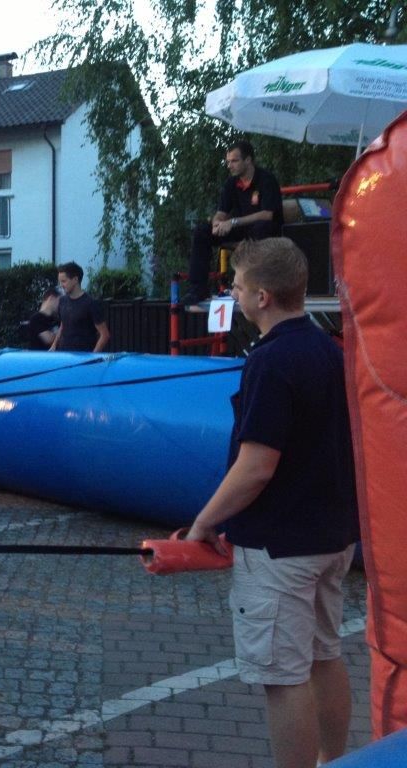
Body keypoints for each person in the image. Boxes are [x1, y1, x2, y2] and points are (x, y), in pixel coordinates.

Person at [186, 238, 359, 768]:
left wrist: (202, 523)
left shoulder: (271, 361)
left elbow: (256, 466)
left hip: (282, 547)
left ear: (262, 297)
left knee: (284, 680)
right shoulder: (330, 348)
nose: (232, 294)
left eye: (237, 286)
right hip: (334, 537)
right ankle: (336, 759)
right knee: (325, 656)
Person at [181, 139, 283, 306]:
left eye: (234, 161)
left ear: (248, 160)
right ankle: (197, 289)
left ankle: (252, 287)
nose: (230, 165)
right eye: (228, 161)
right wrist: (216, 224)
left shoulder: (266, 179)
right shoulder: (231, 183)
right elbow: (221, 213)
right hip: (241, 228)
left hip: (267, 229)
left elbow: (267, 215)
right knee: (202, 231)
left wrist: (233, 222)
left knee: (261, 228)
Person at [50, 263, 110, 352]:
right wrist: (54, 346)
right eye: (60, 282)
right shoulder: (62, 301)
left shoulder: (90, 303)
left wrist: (93, 356)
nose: (61, 285)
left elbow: (104, 335)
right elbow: (63, 325)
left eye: (64, 281)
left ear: (75, 280)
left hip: (83, 356)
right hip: (64, 354)